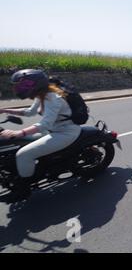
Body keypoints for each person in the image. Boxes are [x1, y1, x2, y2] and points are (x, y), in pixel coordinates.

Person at [0, 69, 81, 203]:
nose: (19, 88)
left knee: (23, 154)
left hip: (65, 133)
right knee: (19, 145)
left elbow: (45, 124)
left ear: (36, 84)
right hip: (54, 130)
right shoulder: (42, 95)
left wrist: (19, 132)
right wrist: (4, 110)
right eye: (18, 85)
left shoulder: (52, 98)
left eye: (24, 85)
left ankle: (24, 189)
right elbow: (29, 112)